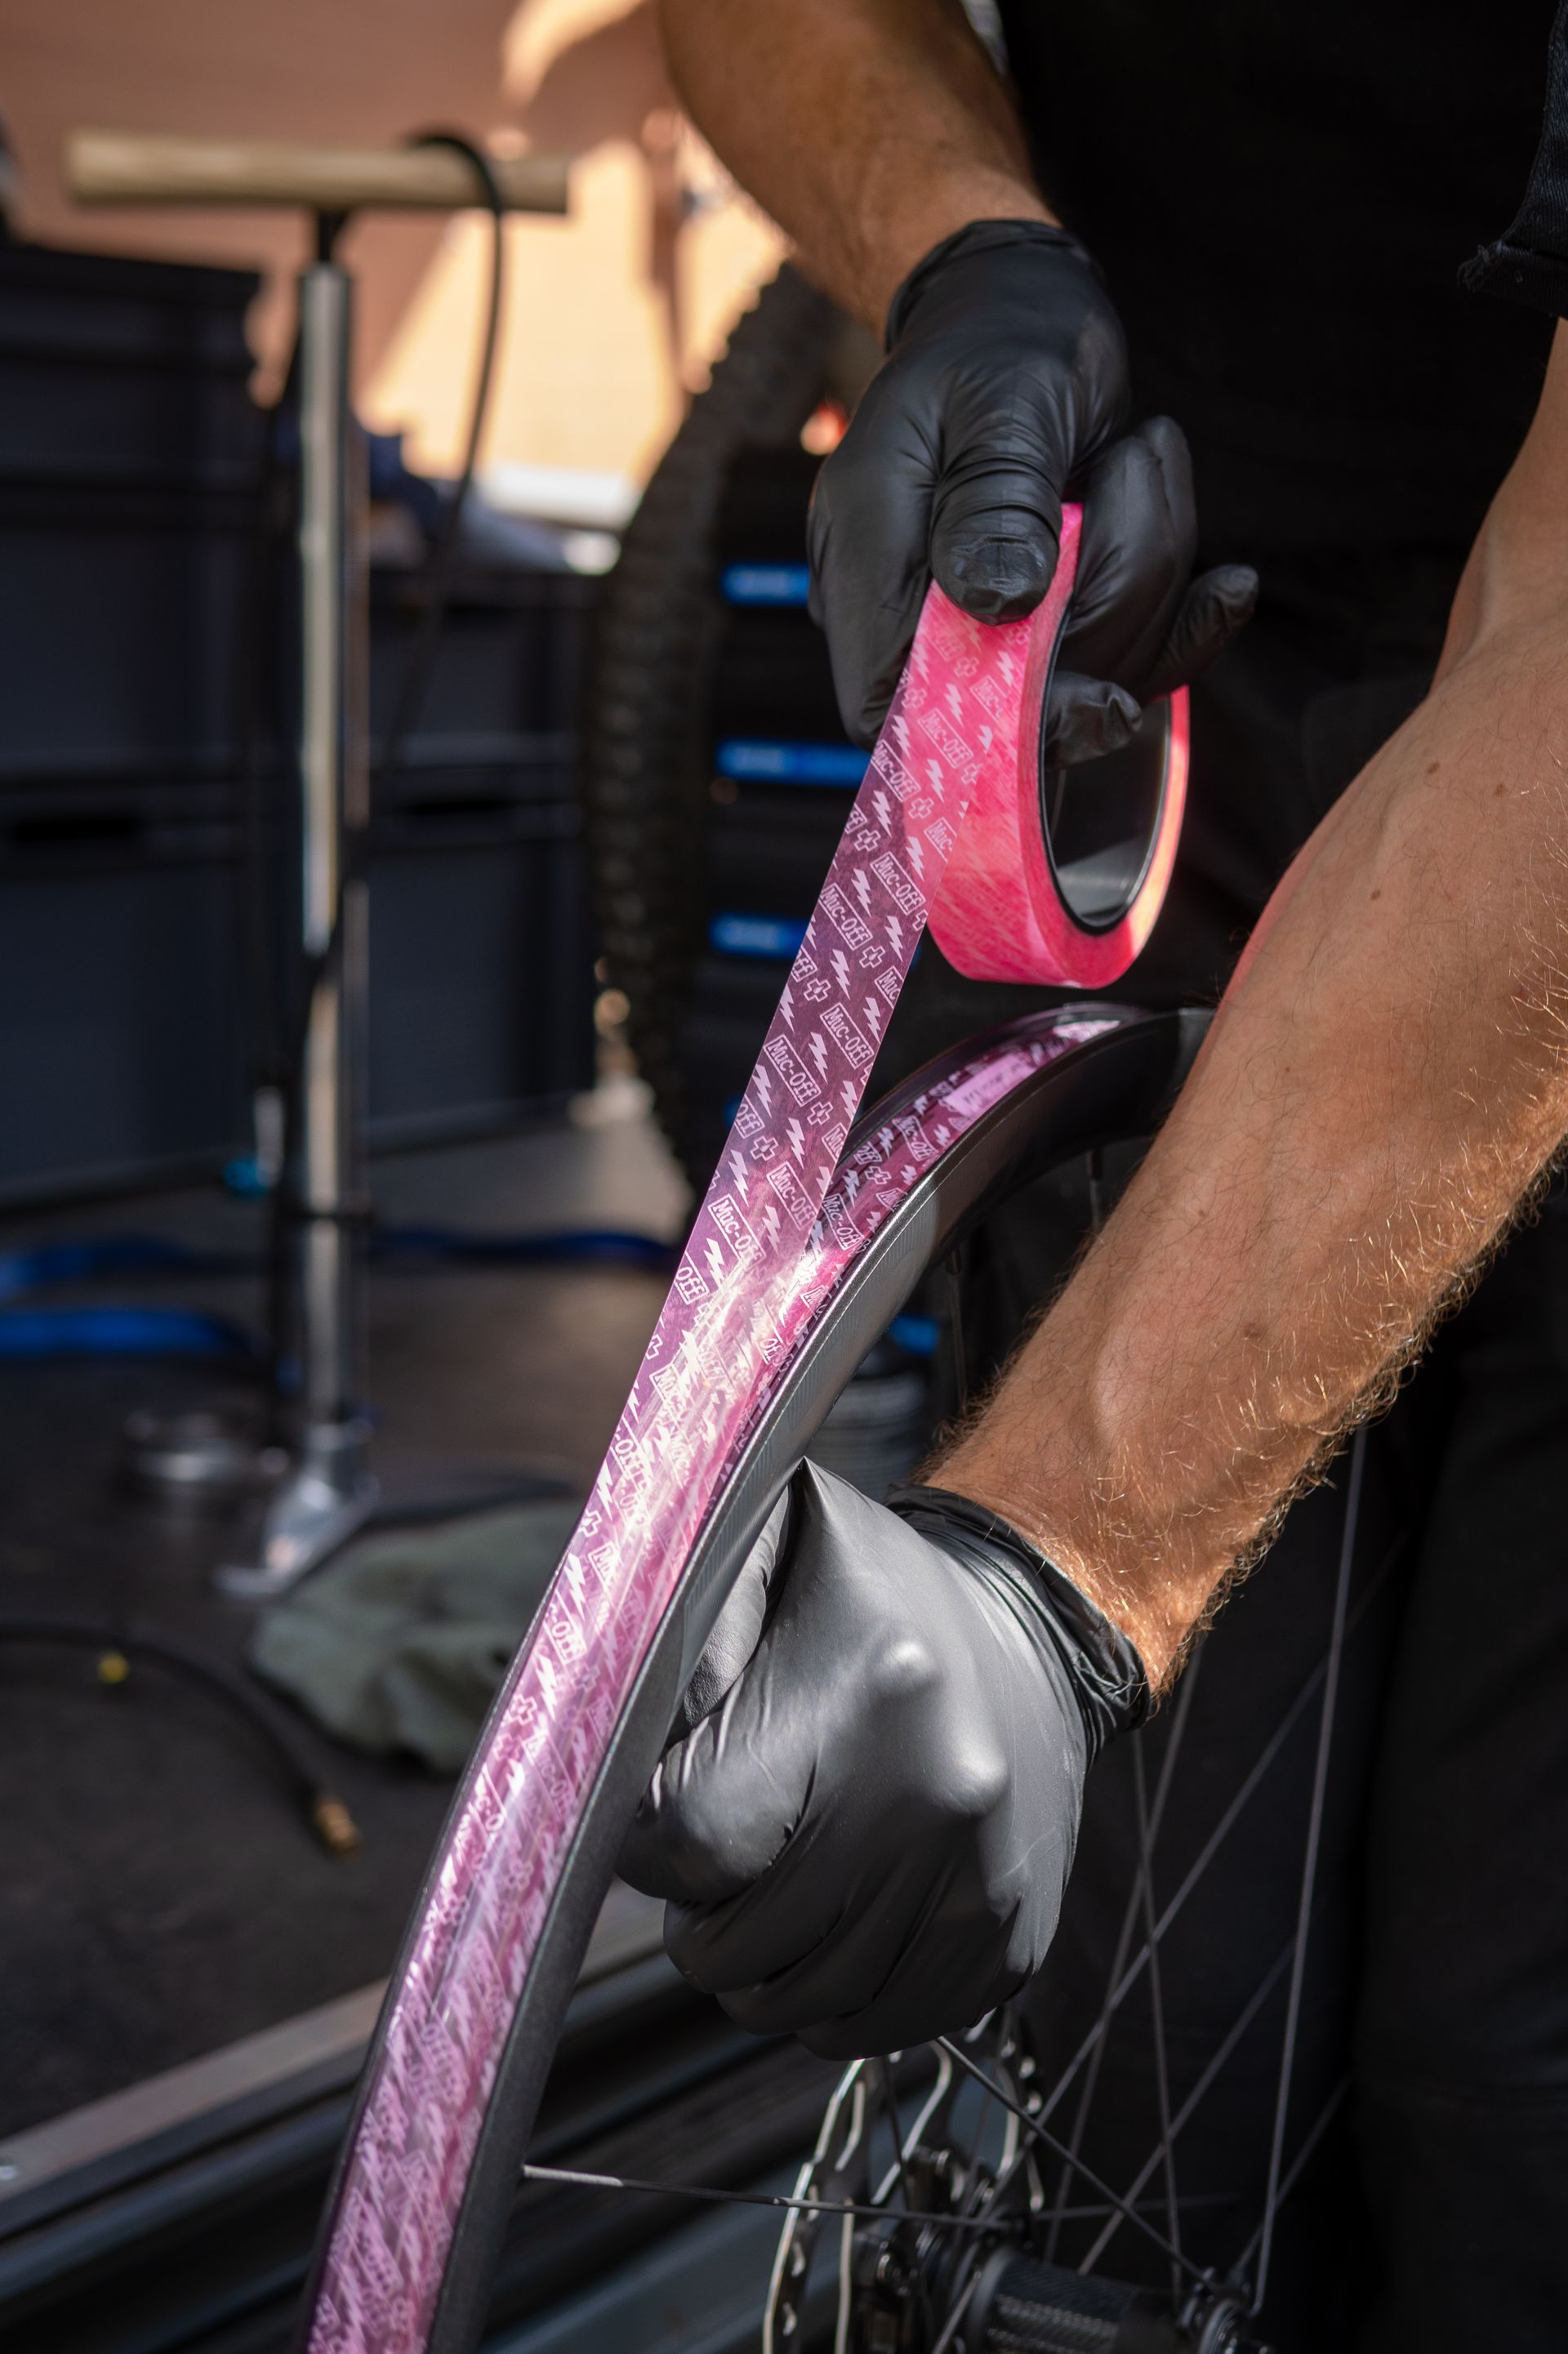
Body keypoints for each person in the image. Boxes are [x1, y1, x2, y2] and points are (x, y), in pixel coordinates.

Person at [617, 4, 1568, 2345]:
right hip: (1195, 666)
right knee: (1149, 2035)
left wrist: (1072, 1551)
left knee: (1508, 2050)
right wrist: (965, 245)